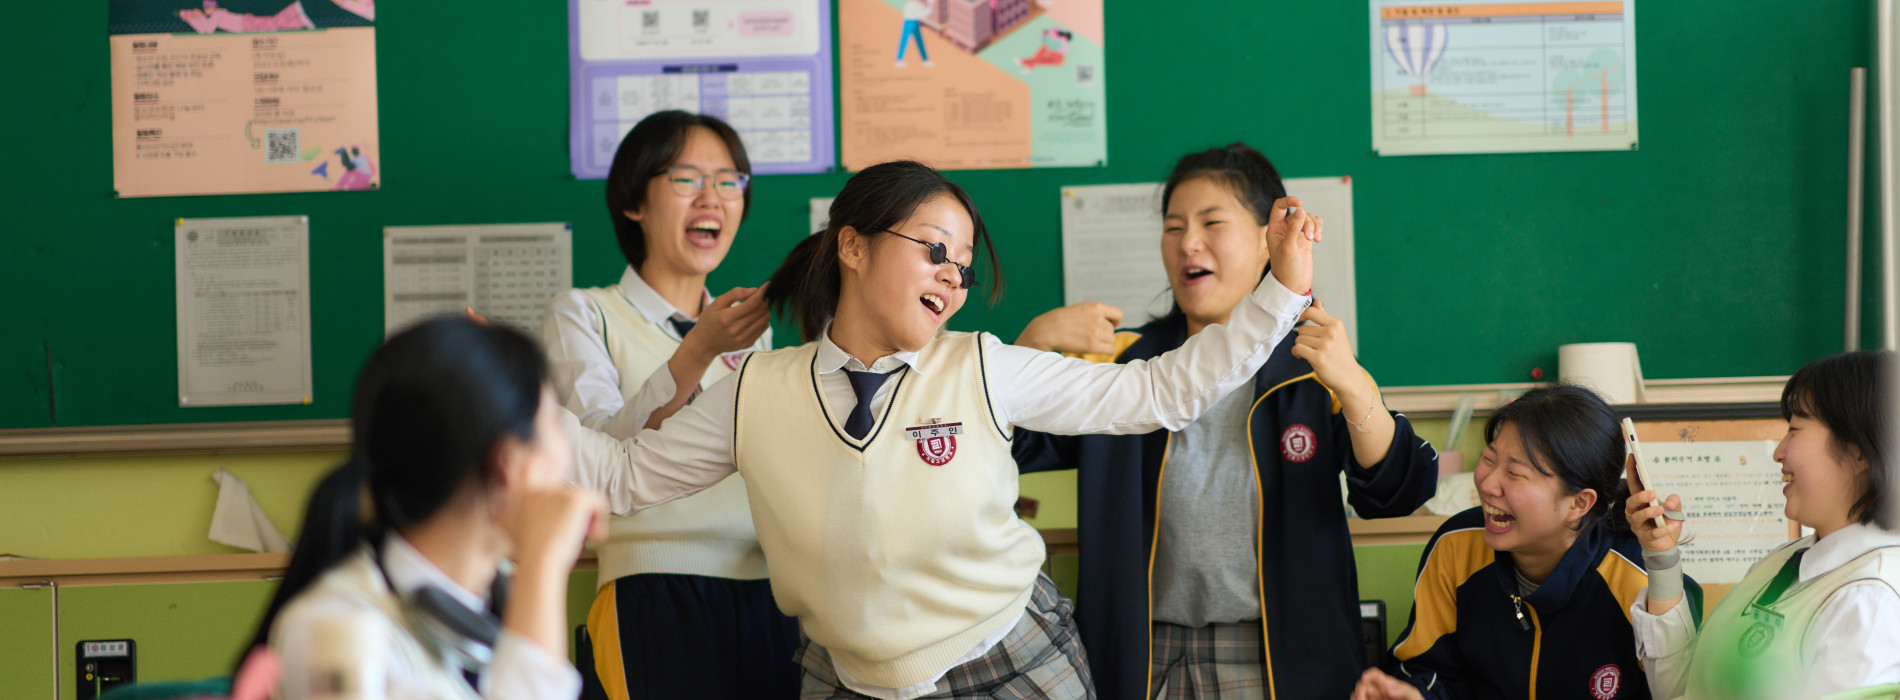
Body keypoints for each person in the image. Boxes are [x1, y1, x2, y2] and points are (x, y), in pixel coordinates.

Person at [563, 158, 1323, 698]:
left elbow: (1161, 390)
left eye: (962, 266)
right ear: (852, 247)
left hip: (1011, 659)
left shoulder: (985, 366)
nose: (952, 279)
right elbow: (624, 477)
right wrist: (507, 404)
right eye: (933, 252)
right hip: (846, 677)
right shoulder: (754, 390)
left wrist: (1280, 290)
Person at [1011, 142, 1437, 700]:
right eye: (1173, 227)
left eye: (1212, 222)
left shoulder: (1309, 366)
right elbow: (1005, 449)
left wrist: (1355, 385)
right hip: (1140, 657)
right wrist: (1030, 346)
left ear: (1271, 239)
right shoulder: (1123, 364)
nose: (1189, 242)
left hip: (1276, 657)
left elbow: (1397, 492)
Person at [541, 110, 793, 699]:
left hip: (769, 591)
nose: (712, 197)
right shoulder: (585, 313)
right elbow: (603, 453)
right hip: (652, 587)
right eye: (686, 178)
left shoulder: (751, 332)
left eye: (729, 181)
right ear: (635, 201)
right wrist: (698, 349)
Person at [243, 316, 607, 699]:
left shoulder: (494, 608)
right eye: (555, 421)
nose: (567, 457)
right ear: (508, 465)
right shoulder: (331, 627)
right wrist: (542, 565)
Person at [1353, 384, 1694, 700]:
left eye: (1515, 473)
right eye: (1489, 459)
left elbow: (1678, 688)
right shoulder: (1456, 546)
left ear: (1579, 503)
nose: (1487, 484)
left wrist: (1663, 564)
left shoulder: (1635, 573)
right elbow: (1430, 671)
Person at [1627, 350, 1899, 700]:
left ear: (1860, 450)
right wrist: (1662, 559)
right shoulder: (1785, 561)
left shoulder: (1871, 601)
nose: (1778, 452)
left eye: (1795, 429)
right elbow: (1686, 691)